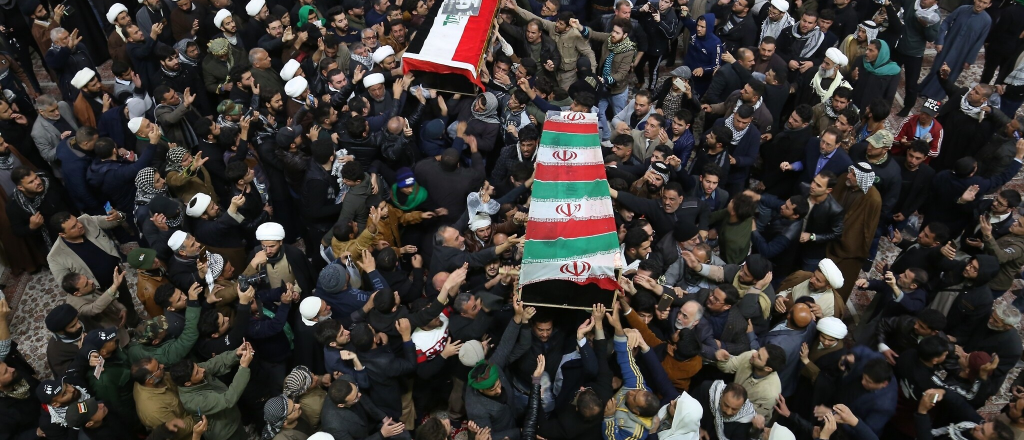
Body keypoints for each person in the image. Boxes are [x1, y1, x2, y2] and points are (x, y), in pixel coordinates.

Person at [918, 0, 993, 101]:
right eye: (979, 1)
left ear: (989, 5)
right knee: (936, 69)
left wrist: (969, 60)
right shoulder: (962, 9)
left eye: (984, 3)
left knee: (949, 75)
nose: (980, 4)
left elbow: (979, 42)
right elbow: (946, 22)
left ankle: (934, 97)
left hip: (962, 53)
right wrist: (940, 41)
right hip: (948, 45)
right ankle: (923, 89)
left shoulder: (987, 21)